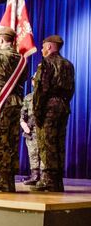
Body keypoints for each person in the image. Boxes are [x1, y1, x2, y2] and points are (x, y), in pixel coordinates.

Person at [0, 27, 27, 192]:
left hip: (0, 104)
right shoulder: (22, 59)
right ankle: (9, 180)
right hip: (15, 103)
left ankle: (3, 180)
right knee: (12, 141)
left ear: (1, 40)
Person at [31, 35, 75, 192]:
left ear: (49, 47)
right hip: (63, 106)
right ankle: (58, 180)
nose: (42, 50)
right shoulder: (68, 65)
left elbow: (41, 90)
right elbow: (71, 89)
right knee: (59, 143)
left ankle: (49, 180)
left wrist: (37, 110)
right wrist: (63, 103)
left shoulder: (46, 63)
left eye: (43, 47)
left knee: (47, 142)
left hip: (49, 106)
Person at [21, 75, 40, 185]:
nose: (34, 81)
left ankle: (42, 175)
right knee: (32, 153)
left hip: (42, 130)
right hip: (30, 130)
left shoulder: (46, 97)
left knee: (42, 154)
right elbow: (23, 112)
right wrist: (23, 123)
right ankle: (35, 175)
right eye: (33, 79)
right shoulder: (28, 97)